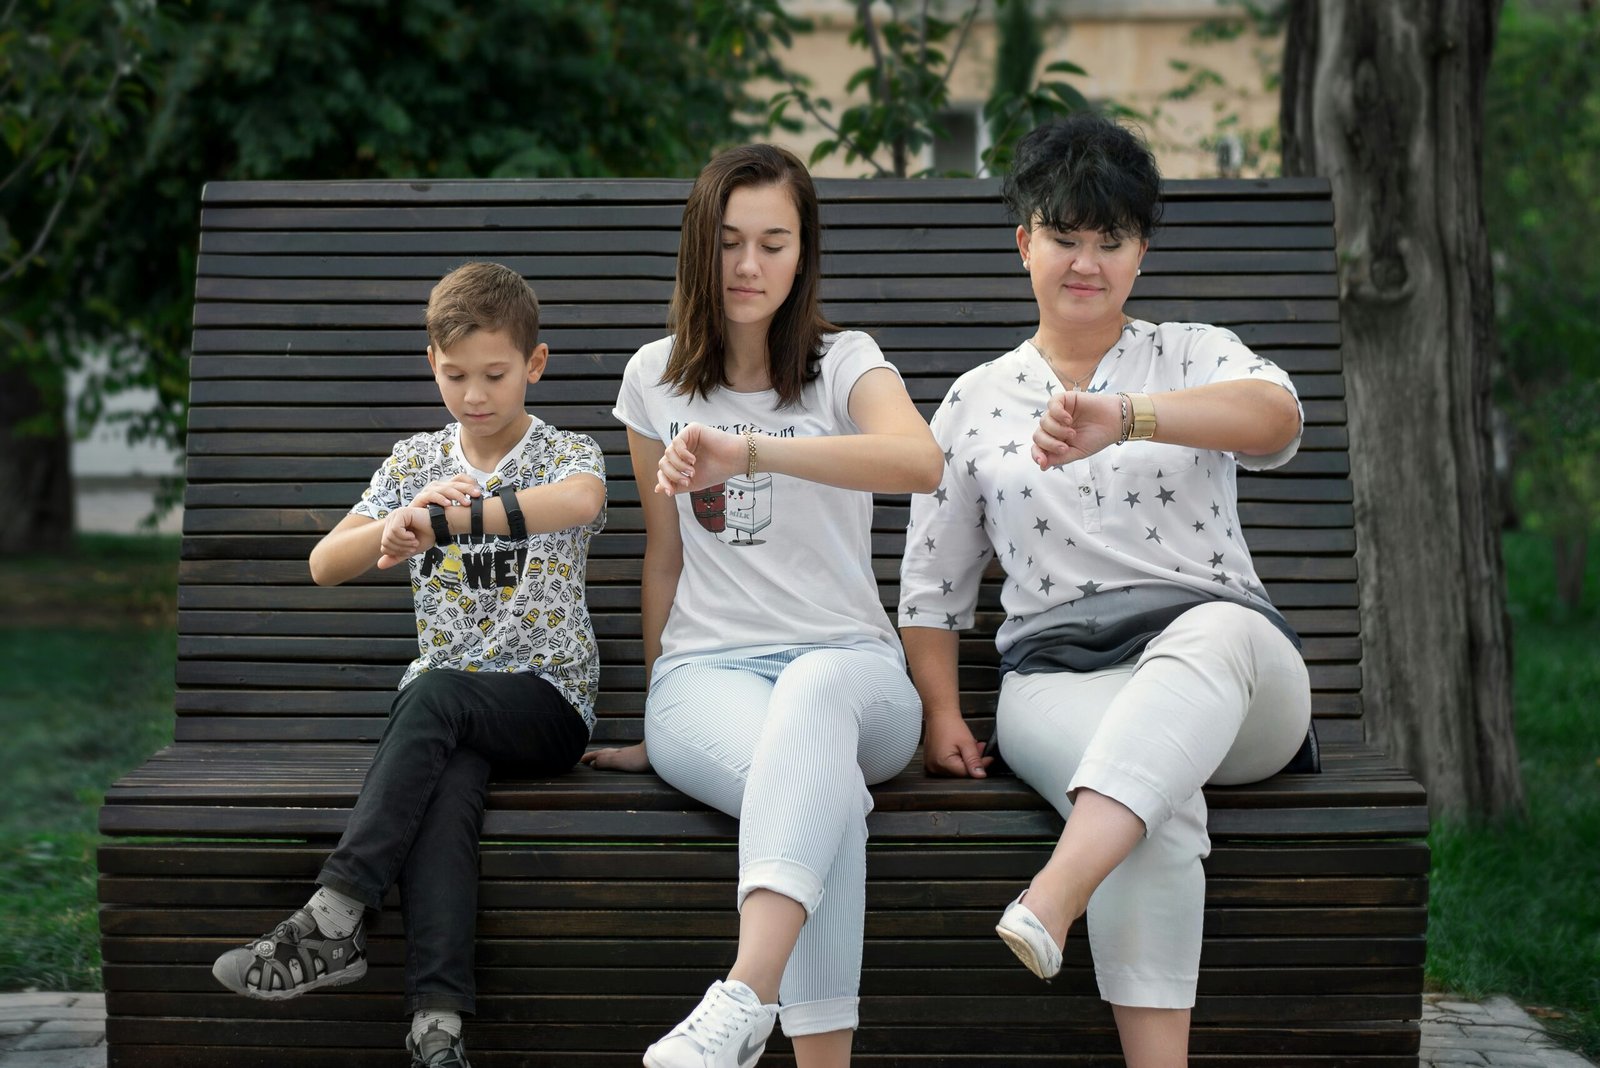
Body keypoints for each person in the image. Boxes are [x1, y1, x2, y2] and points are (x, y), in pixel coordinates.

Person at [898, 113, 1313, 1068]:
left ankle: (1053, 898)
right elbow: (933, 583)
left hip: (1238, 679)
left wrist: (1126, 418)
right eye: (1063, 237)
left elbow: (1278, 417)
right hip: (1059, 682)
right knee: (1148, 801)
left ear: (1140, 252)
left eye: (1110, 241)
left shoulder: (1193, 353)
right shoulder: (976, 399)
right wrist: (943, 711)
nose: (1085, 262)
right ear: (1023, 242)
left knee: (1212, 637)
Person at [580, 143, 943, 1068]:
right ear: (700, 247)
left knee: (817, 707)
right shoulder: (654, 378)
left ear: (803, 251)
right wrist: (661, 706)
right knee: (824, 798)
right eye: (730, 241)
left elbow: (919, 460)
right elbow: (663, 557)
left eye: (773, 243)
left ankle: (743, 995)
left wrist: (753, 452)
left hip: (857, 675)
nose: (748, 267)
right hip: (710, 677)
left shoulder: (843, 364)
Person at [211, 261, 606, 1068]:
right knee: (445, 788)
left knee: (432, 697)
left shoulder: (568, 450)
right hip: (443, 720)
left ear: (534, 364)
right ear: (432, 362)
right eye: (455, 375)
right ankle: (438, 1029)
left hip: (546, 704)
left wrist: (453, 524)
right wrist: (396, 522)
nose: (474, 394)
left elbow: (582, 504)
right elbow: (327, 563)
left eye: (495, 374)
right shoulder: (414, 460)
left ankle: (334, 916)